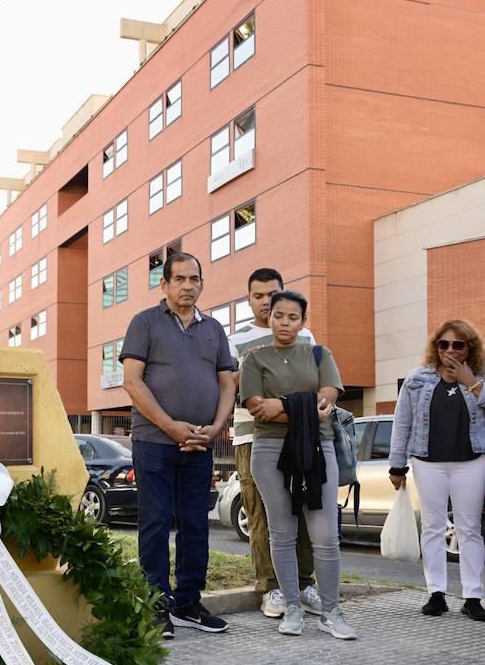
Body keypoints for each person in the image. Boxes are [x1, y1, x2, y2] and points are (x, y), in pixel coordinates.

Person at [119, 252, 234, 640]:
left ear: (202, 284)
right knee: (155, 523)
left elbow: (227, 384)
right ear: (164, 284)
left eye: (194, 279)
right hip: (154, 442)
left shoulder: (214, 329)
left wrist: (215, 428)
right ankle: (155, 605)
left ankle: (187, 603)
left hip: (200, 444)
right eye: (180, 279)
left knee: (195, 524)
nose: (188, 286)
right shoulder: (145, 323)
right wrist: (172, 428)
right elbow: (133, 383)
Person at [239, 290, 357, 639]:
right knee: (282, 532)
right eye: (279, 316)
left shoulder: (319, 354)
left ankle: (331, 611)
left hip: (317, 448)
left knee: (325, 535)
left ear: (303, 322)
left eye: (293, 317)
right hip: (269, 450)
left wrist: (282, 406)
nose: (285, 322)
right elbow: (257, 407)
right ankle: (292, 607)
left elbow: (327, 400)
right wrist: (298, 406)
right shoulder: (254, 358)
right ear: (269, 317)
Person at [388, 319, 485, 621]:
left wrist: (470, 382)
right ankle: (435, 592)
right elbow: (403, 423)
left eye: (458, 345)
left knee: (470, 529)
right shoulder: (418, 378)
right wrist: (397, 465)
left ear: (470, 347)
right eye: (443, 344)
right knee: (433, 527)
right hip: (428, 462)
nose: (450, 350)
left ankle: (473, 596)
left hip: (472, 460)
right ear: (435, 346)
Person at [227, 267, 320, 620]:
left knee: (303, 510)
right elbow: (234, 388)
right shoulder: (235, 341)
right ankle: (271, 587)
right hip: (252, 436)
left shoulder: (305, 335)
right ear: (248, 299)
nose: (266, 302)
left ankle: (303, 582)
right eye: (258, 296)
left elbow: (311, 384)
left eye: (272, 294)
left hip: (298, 434)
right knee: (261, 513)